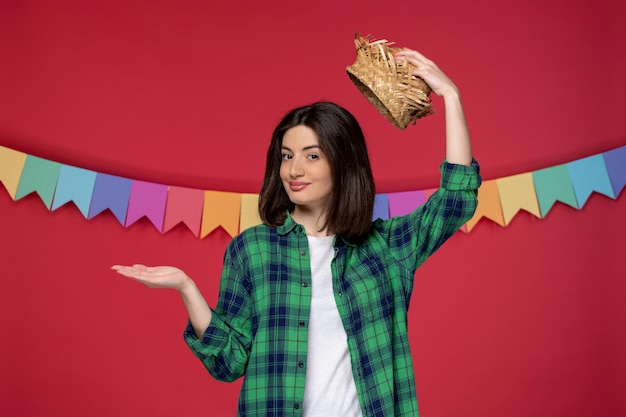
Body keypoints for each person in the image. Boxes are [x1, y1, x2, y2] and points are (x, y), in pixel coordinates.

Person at [112, 48, 482, 417]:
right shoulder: (252, 250)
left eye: (312, 155)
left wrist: (451, 97)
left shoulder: (387, 248)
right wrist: (186, 288)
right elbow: (229, 362)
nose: (294, 170)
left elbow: (456, 199)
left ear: (344, 163)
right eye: (287, 156)